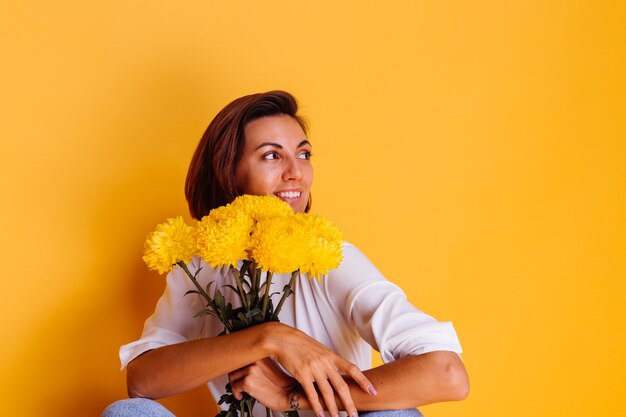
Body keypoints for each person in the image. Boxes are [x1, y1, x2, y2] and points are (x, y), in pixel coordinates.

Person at [103, 91, 469, 417]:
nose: (297, 172)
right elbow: (142, 382)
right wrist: (270, 337)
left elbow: (447, 374)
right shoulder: (199, 268)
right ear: (228, 173)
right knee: (130, 413)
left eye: (304, 154)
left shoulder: (328, 257)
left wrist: (292, 396)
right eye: (272, 156)